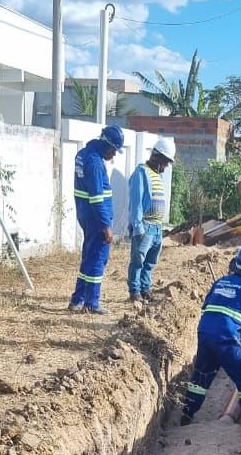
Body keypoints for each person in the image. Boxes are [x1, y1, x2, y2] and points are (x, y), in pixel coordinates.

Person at [180, 244, 241, 426]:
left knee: (201, 376)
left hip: (204, 332)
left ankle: (186, 414)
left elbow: (206, 308)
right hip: (226, 338)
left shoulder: (220, 281)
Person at [69, 124, 124, 315]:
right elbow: (97, 198)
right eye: (114, 150)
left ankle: (78, 299)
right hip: (96, 219)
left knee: (89, 257)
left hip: (86, 216)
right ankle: (91, 303)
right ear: (106, 145)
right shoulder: (94, 162)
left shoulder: (84, 155)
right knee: (98, 259)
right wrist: (105, 226)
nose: (114, 155)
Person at [126, 136, 175, 304]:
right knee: (138, 260)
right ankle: (135, 291)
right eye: (166, 162)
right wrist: (138, 227)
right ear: (157, 156)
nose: (167, 166)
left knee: (150, 262)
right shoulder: (142, 172)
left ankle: (145, 289)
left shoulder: (156, 175)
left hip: (156, 228)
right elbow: (136, 202)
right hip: (145, 226)